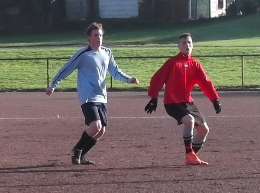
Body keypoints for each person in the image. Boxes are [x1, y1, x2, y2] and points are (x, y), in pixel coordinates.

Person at [46, 22, 140, 165]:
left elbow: (115, 71)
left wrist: (129, 79)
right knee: (95, 126)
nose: (99, 38)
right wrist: (53, 84)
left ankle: (81, 155)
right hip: (88, 96)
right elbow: (66, 69)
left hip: (102, 96)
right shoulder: (83, 54)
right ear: (89, 37)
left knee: (101, 130)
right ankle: (77, 150)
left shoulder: (107, 53)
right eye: (96, 35)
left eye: (100, 35)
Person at [144, 33, 222, 166]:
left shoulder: (195, 64)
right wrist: (154, 98)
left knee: (204, 130)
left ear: (193, 45)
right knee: (189, 120)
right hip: (172, 103)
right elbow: (157, 79)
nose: (187, 45)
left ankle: (191, 157)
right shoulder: (172, 63)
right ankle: (189, 153)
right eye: (184, 43)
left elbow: (206, 82)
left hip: (188, 102)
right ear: (179, 46)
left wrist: (215, 99)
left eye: (189, 42)